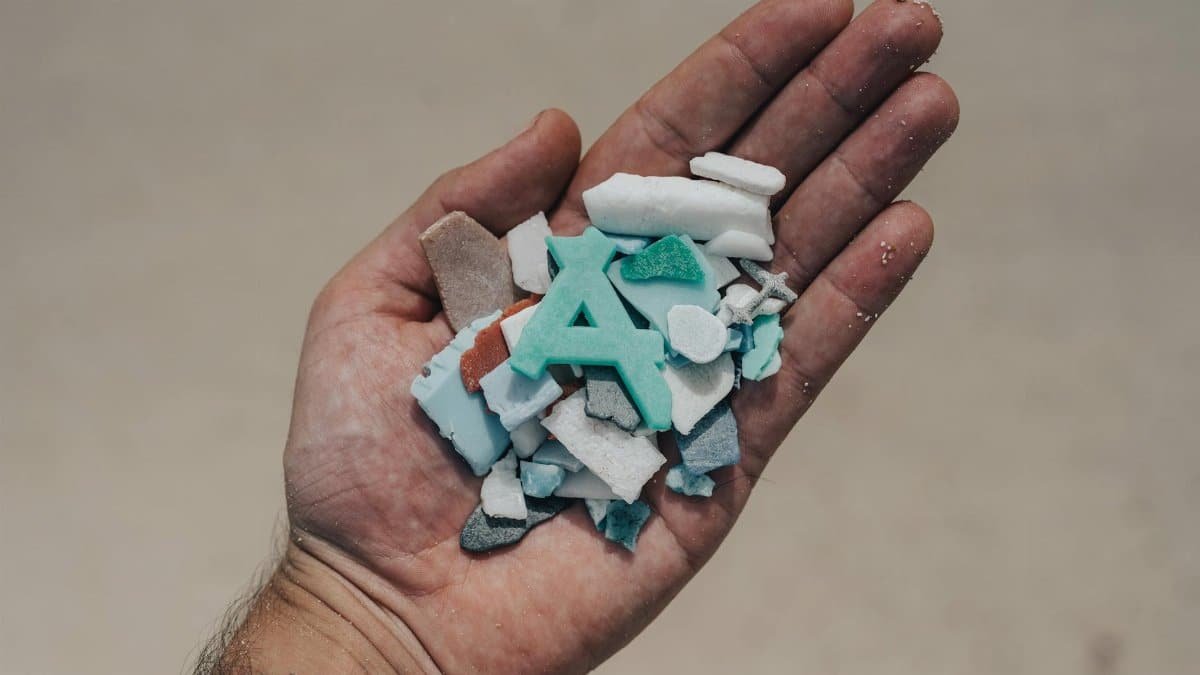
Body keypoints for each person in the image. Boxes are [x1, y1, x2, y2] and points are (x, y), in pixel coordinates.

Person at [197, 0, 957, 672]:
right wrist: (356, 599)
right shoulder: (559, 331)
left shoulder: (635, 305)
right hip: (585, 351)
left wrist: (360, 618)